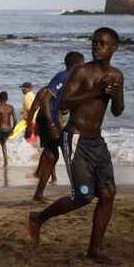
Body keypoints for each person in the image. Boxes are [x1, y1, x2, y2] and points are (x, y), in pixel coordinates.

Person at [27, 28, 125, 263]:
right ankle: (37, 218)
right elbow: (64, 103)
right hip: (75, 138)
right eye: (94, 43)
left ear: (114, 48)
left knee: (108, 193)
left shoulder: (116, 75)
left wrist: (116, 93)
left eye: (102, 43)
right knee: (83, 196)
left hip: (97, 141)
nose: (96, 47)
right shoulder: (82, 72)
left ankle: (94, 251)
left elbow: (118, 111)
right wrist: (97, 90)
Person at [28, 51, 86, 203]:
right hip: (49, 119)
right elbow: (46, 100)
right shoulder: (62, 76)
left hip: (55, 119)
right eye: (82, 65)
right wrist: (52, 124)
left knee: (54, 154)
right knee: (62, 153)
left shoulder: (73, 79)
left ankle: (39, 194)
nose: (84, 68)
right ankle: (81, 189)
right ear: (75, 65)